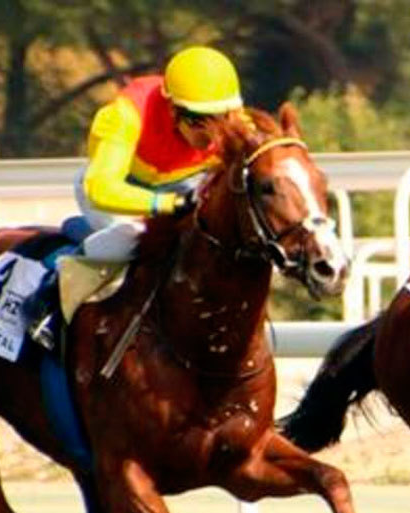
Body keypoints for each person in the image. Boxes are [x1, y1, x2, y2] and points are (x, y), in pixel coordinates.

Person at [25, 46, 247, 349]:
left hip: (182, 187)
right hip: (116, 189)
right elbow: (101, 187)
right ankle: (49, 298)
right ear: (171, 109)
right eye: (197, 121)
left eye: (220, 119)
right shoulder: (125, 114)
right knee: (136, 236)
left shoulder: (236, 125)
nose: (211, 135)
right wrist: (164, 205)